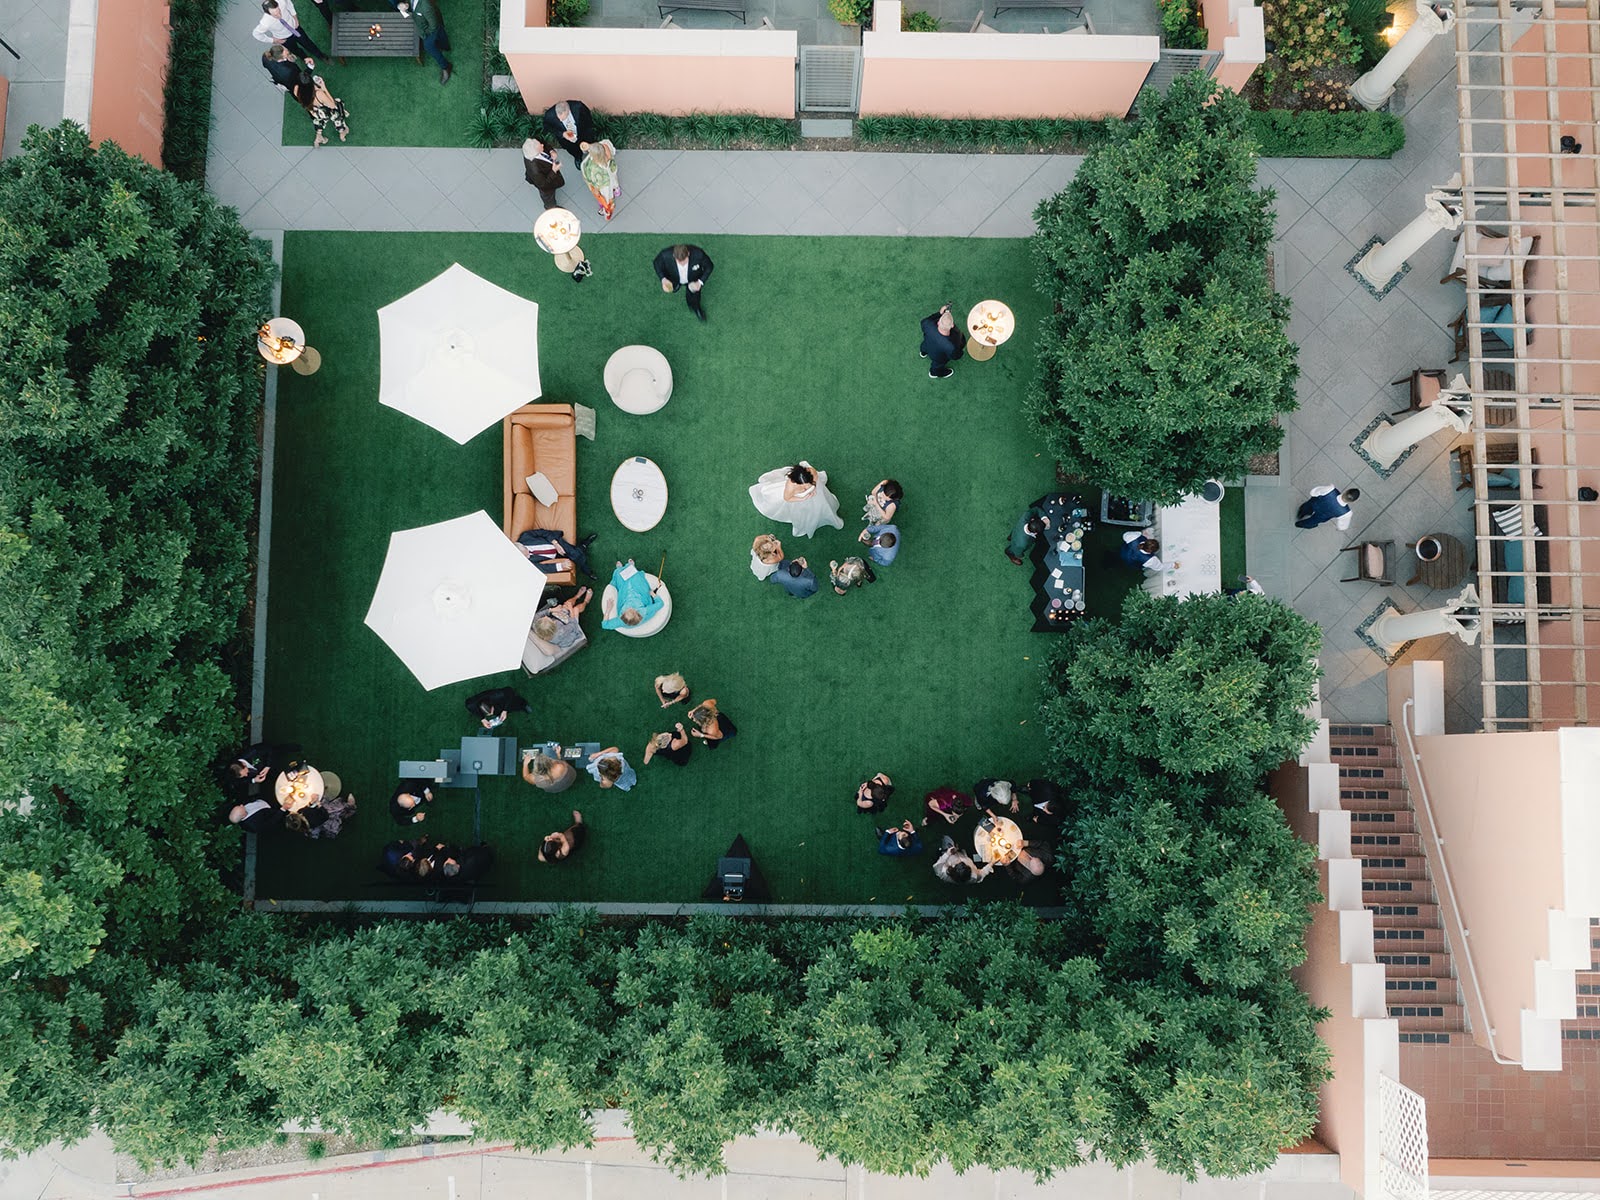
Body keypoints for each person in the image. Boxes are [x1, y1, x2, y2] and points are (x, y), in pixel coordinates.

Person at [749, 462, 843, 538]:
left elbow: (815, 478)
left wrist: (813, 487)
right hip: (799, 501)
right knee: (806, 514)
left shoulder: (810, 471)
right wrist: (803, 497)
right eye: (804, 485)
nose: (807, 487)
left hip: (815, 495)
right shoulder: (790, 486)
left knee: (822, 505)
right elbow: (787, 498)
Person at [653, 244, 714, 322]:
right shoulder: (665, 254)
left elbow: (709, 266)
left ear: (688, 254)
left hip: (693, 280)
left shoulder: (698, 254)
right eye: (679, 261)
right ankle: (677, 285)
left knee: (695, 296)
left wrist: (700, 282)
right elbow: (656, 264)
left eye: (684, 261)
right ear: (673, 256)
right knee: (674, 287)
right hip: (674, 278)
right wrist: (663, 279)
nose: (682, 264)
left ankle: (696, 308)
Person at [252, 0, 327, 63]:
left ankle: (320, 55)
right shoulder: (265, 22)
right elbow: (256, 34)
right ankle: (305, 58)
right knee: (295, 50)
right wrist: (273, 40)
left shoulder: (281, 1)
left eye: (279, 11)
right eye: (275, 15)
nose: (279, 15)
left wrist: (295, 17)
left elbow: (289, 4)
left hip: (295, 28)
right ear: (268, 13)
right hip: (284, 39)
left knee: (307, 42)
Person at [396, 0, 451, 83]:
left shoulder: (425, 5)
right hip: (421, 24)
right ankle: (445, 46)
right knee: (441, 37)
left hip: (430, 29)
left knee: (428, 46)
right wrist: (403, 5)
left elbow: (433, 25)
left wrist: (424, 34)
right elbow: (409, 5)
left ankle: (446, 67)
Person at [290, 70, 349, 147]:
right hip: (324, 111)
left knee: (320, 119)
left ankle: (319, 137)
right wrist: (324, 88)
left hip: (313, 111)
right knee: (338, 105)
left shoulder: (296, 89)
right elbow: (332, 105)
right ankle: (342, 131)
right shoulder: (318, 93)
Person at [601, 560, 663, 631]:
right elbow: (660, 604)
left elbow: (605, 625)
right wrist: (653, 595)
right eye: (632, 610)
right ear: (638, 613)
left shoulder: (620, 620)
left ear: (623, 616)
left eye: (627, 610)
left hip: (625, 597)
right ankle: (630, 566)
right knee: (635, 579)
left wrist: (608, 610)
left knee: (620, 577)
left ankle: (620, 569)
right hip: (639, 595)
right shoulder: (643, 611)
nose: (630, 607)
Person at [529, 588, 592, 657]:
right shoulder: (560, 632)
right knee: (575, 609)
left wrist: (551, 610)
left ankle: (577, 596)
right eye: (548, 619)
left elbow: (536, 616)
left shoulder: (536, 625)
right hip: (570, 633)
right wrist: (570, 608)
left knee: (565, 606)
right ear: (554, 624)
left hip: (561, 624)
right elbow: (573, 623)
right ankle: (586, 601)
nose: (546, 617)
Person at [517, 528, 598, 579]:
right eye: (525, 557)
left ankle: (586, 569)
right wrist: (561, 566)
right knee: (575, 553)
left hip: (555, 542)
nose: (528, 557)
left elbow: (544, 533)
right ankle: (583, 545)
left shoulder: (526, 536)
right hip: (555, 556)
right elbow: (543, 568)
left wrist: (556, 544)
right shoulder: (526, 562)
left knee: (575, 554)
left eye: (526, 553)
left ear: (522, 545)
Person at [919, 303, 966, 380]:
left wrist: (939, 313)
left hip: (926, 345)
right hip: (938, 357)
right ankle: (934, 373)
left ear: (938, 322)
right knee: (937, 365)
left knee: (924, 347)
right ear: (952, 325)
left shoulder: (928, 324)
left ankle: (923, 353)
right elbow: (956, 356)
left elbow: (925, 321)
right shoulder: (951, 346)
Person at [542, 99, 598, 164]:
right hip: (566, 140)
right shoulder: (549, 115)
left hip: (582, 132)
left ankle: (593, 154)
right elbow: (547, 127)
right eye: (559, 118)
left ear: (569, 111)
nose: (560, 120)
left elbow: (588, 119)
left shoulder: (579, 107)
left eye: (563, 118)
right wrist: (562, 134)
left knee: (589, 144)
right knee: (572, 149)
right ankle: (577, 157)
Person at [580, 139, 620, 221]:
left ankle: (605, 209)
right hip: (611, 176)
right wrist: (590, 146)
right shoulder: (606, 149)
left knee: (606, 198)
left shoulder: (597, 170)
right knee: (614, 182)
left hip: (604, 186)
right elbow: (604, 143)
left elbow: (597, 184)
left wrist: (595, 190)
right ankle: (617, 190)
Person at [522, 137, 565, 210]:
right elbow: (544, 184)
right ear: (535, 154)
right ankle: (551, 208)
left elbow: (543, 142)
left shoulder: (533, 144)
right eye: (540, 147)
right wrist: (554, 171)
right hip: (545, 185)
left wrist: (551, 151)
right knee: (548, 197)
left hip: (547, 173)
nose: (542, 145)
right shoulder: (534, 170)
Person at [1295, 486, 1360, 531]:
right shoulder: (1346, 513)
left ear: (1346, 491)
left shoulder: (1330, 489)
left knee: (1307, 507)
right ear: (1352, 501)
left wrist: (1314, 495)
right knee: (1312, 521)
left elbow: (1314, 492)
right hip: (1322, 516)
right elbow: (1342, 526)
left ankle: (1301, 513)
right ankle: (1300, 524)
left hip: (1315, 503)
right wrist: (1339, 528)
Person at [465, 687, 531, 730]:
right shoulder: (471, 705)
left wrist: (505, 710)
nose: (491, 715)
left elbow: (510, 691)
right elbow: (472, 709)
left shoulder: (497, 695)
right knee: (499, 712)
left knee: (512, 703)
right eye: (488, 714)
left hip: (504, 699)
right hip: (495, 706)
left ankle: (524, 705)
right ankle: (504, 712)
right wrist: (483, 719)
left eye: (491, 712)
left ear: (492, 705)